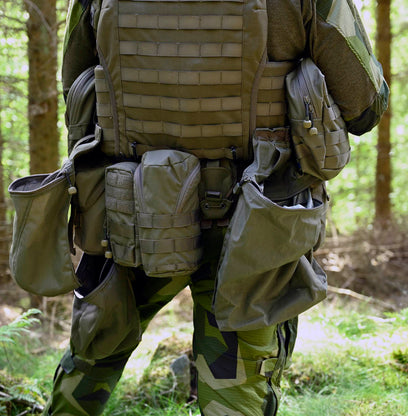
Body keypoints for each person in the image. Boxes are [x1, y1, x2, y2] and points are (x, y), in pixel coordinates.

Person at [43, 0, 389, 414]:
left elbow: (74, 85)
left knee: (92, 358)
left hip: (129, 212)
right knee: (236, 392)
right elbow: (365, 105)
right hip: (256, 220)